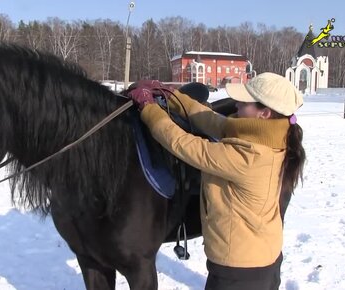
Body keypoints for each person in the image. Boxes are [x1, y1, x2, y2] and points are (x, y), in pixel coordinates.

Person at [127, 73, 306, 290]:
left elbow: (182, 143)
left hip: (238, 273)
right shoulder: (274, 135)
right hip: (262, 259)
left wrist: (148, 108)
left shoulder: (250, 158)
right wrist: (171, 94)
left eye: (245, 102)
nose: (237, 103)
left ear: (264, 113)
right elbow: (210, 118)